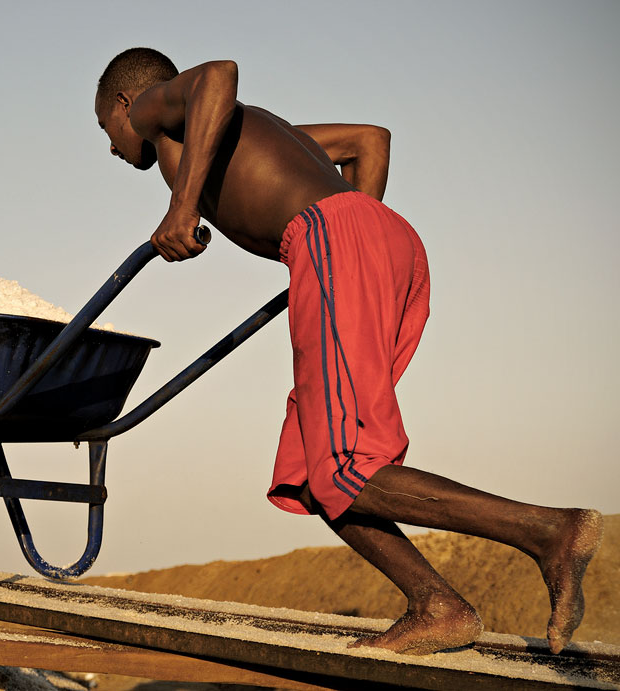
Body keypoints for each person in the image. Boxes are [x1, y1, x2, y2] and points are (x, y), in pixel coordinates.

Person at [94, 47, 603, 656]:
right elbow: (369, 139)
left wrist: (186, 208)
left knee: (342, 465)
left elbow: (219, 75)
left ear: (126, 103)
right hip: (368, 243)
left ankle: (549, 531)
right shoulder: (250, 134)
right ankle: (438, 606)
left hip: (339, 242)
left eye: (106, 130)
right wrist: (351, 245)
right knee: (309, 469)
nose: (113, 146)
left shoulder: (158, 107)